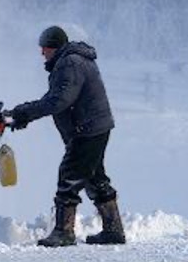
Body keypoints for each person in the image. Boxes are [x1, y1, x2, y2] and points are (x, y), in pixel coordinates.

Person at [9, 25, 125, 247]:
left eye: (44, 48)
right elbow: (56, 97)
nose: (42, 52)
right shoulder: (69, 61)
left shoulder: (70, 63)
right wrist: (22, 114)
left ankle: (64, 232)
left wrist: (24, 112)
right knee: (94, 178)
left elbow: (59, 101)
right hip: (94, 127)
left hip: (87, 130)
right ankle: (113, 231)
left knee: (69, 176)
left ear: (54, 47)